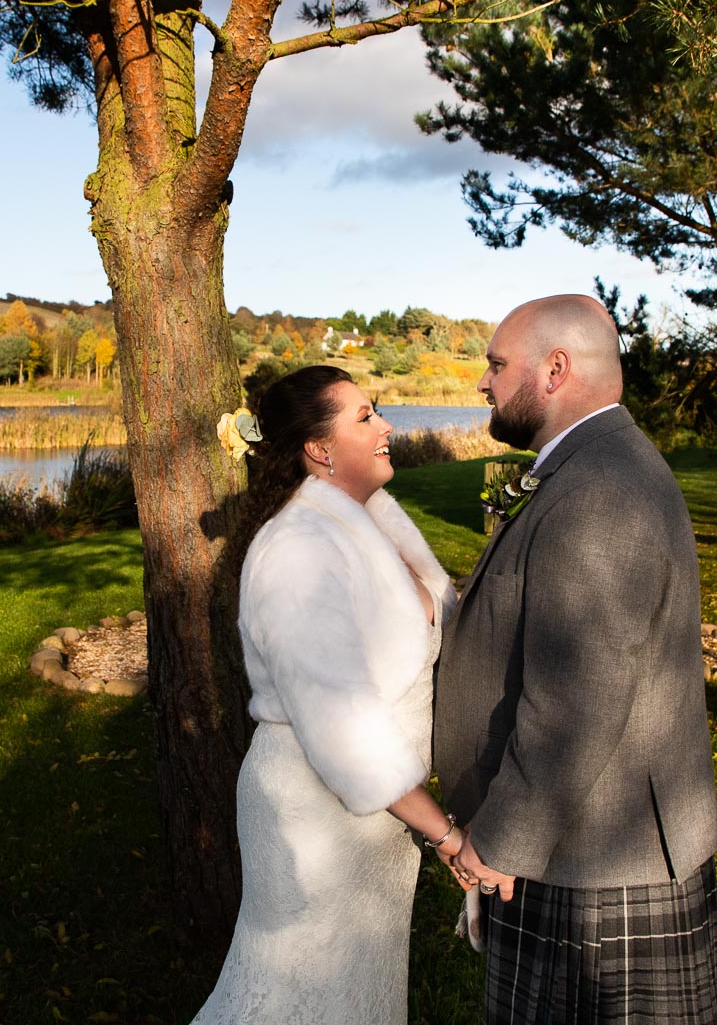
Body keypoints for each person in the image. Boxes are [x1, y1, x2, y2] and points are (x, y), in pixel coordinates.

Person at [435, 295, 717, 1024]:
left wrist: (501, 841)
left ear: (555, 370)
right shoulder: (590, 464)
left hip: (594, 860)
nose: (483, 382)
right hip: (582, 839)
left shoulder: (598, 490)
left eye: (497, 365)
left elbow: (577, 700)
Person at [191, 365, 464, 1025]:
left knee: (359, 999)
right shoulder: (298, 548)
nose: (386, 426)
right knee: (293, 1000)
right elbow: (340, 724)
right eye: (365, 417)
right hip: (313, 818)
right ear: (318, 449)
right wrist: (445, 835)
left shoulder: (374, 520)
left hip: (378, 819)